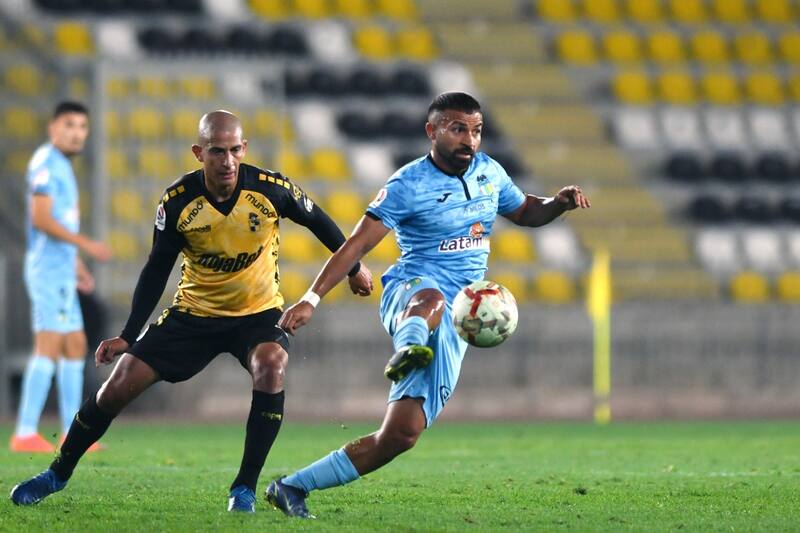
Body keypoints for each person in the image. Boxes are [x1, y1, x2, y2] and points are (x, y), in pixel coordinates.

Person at [10, 110, 373, 512]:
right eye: (218, 151)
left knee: (271, 365)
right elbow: (155, 270)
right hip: (193, 314)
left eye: (235, 150)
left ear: (244, 148)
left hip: (257, 314)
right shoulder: (179, 201)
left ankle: (244, 489)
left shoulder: (270, 189)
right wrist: (129, 334)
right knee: (116, 387)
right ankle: (56, 474)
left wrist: (354, 269)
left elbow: (320, 221)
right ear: (200, 153)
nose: (228, 160)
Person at [268, 92, 591, 518]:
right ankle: (408, 347)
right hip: (410, 291)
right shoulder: (408, 184)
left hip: (459, 316)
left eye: (476, 130)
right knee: (431, 297)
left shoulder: (490, 173)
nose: (470, 140)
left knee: (401, 435)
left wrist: (558, 204)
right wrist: (311, 298)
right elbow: (357, 244)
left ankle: (291, 487)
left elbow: (526, 210)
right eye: (458, 128)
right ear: (432, 131)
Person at [10, 101, 112, 454]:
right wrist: (87, 245)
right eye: (69, 124)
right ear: (53, 128)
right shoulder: (45, 164)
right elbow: (41, 220)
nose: (76, 132)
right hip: (46, 273)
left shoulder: (63, 168)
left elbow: (60, 225)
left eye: (82, 126)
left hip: (61, 271)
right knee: (49, 347)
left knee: (74, 347)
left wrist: (77, 264)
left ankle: (73, 431)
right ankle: (24, 431)